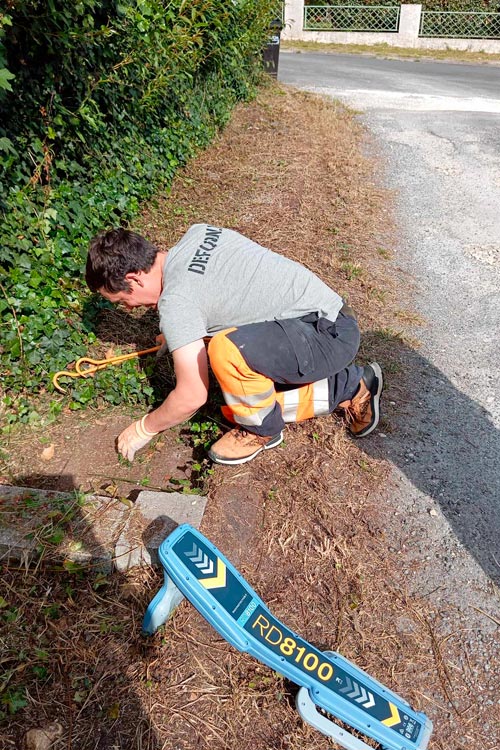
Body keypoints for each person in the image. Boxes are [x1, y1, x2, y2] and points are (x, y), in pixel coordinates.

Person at [85, 224, 383, 465]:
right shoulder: (198, 233)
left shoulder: (177, 303)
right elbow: (226, 292)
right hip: (329, 315)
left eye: (123, 301)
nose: (129, 308)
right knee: (237, 395)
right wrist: (183, 334)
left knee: (226, 352)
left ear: (134, 279)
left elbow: (191, 396)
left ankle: (261, 430)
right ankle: (351, 385)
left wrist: (144, 428)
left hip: (324, 338)